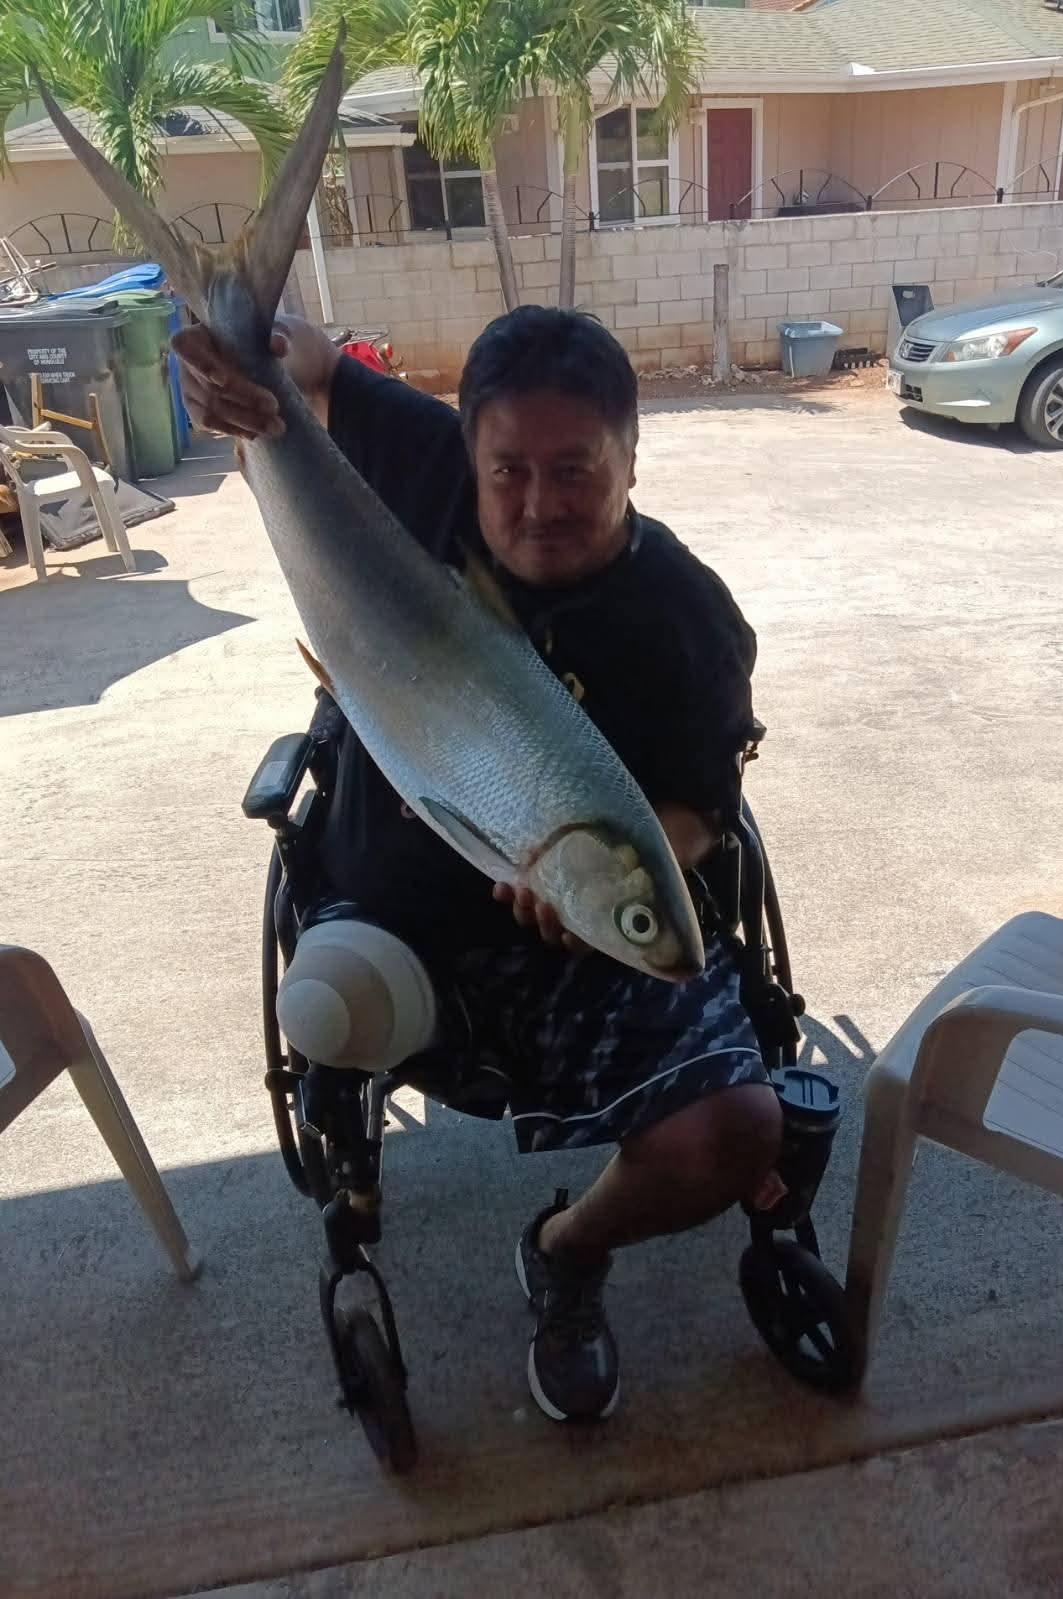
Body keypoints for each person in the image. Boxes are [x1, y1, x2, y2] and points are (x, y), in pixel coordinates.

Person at [174, 305, 783, 1424]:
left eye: (575, 469)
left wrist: (604, 890)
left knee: (740, 1128)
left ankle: (563, 1250)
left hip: (588, 950)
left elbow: (701, 807)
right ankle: (354, 1233)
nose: (538, 502)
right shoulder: (425, 464)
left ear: (632, 454)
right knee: (326, 1007)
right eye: (508, 471)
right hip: (393, 924)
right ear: (472, 452)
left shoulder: (688, 616)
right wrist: (242, 373)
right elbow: (307, 362)